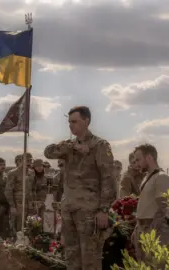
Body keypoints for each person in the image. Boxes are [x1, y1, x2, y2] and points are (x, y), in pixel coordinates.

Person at [44, 106, 116, 270]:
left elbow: (108, 179)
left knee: (90, 258)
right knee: (71, 257)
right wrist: (71, 147)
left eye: (75, 121)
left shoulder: (100, 145)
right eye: (69, 122)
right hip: (69, 209)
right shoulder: (68, 146)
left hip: (90, 211)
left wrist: (104, 210)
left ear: (86, 121)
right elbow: (48, 152)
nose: (71, 125)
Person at [131, 144, 169, 263]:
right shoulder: (147, 178)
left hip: (154, 231)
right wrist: (137, 229)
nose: (136, 163)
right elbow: (144, 206)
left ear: (149, 158)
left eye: (138, 159)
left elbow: (164, 208)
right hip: (143, 229)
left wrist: (151, 233)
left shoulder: (161, 177)